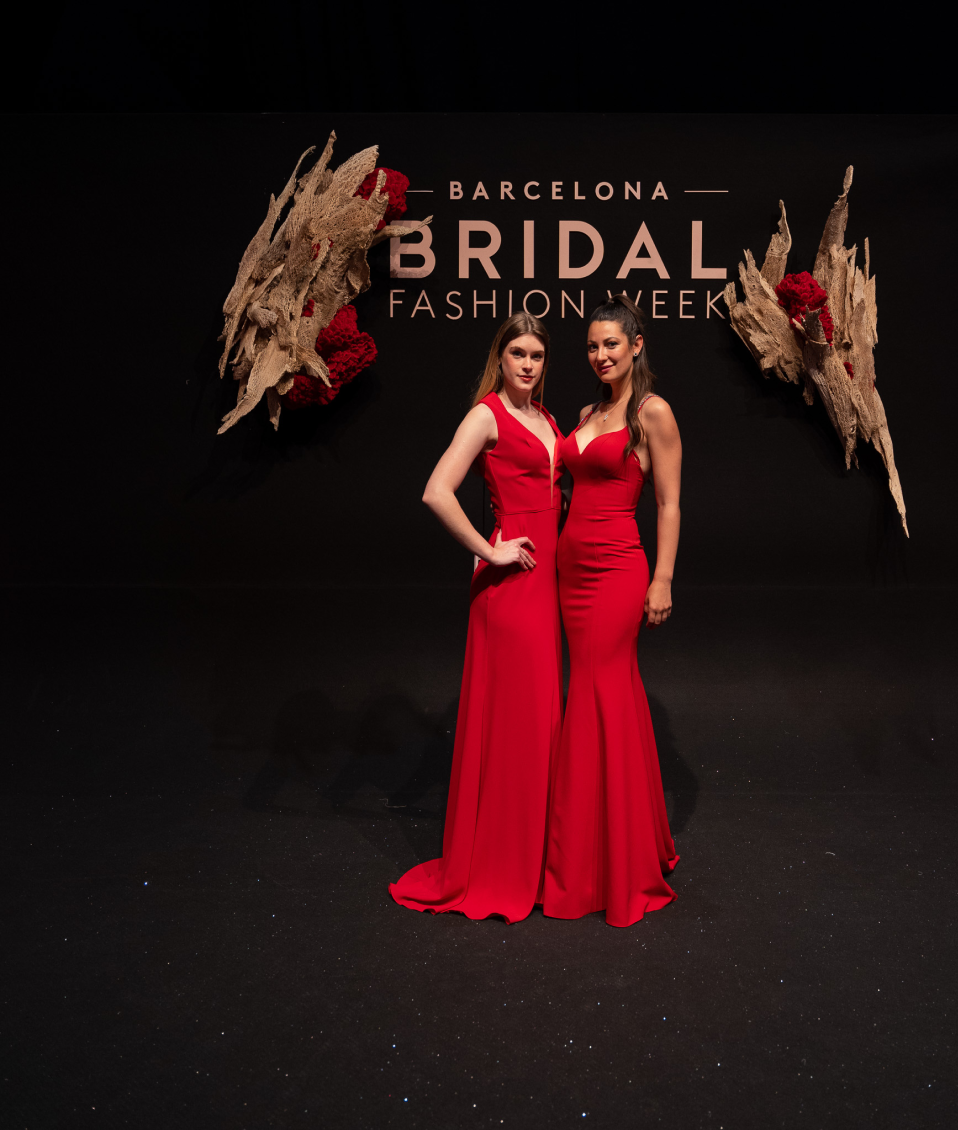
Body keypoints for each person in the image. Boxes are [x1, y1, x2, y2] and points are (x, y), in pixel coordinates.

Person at [389, 312, 564, 923]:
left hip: (550, 583)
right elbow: (436, 490)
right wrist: (490, 551)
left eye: (536, 355)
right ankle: (502, 865)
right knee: (516, 723)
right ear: (500, 357)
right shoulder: (486, 415)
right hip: (513, 586)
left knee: (538, 720)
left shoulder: (546, 419)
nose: (527, 364)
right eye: (517, 353)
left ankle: (535, 860)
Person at [541, 294, 681, 927]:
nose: (600, 355)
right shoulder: (586, 414)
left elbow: (669, 504)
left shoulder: (653, 413)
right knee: (601, 692)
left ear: (636, 345)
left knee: (599, 692)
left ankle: (606, 863)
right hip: (571, 570)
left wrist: (663, 579)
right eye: (593, 346)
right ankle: (613, 843)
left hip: (619, 569)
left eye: (611, 344)